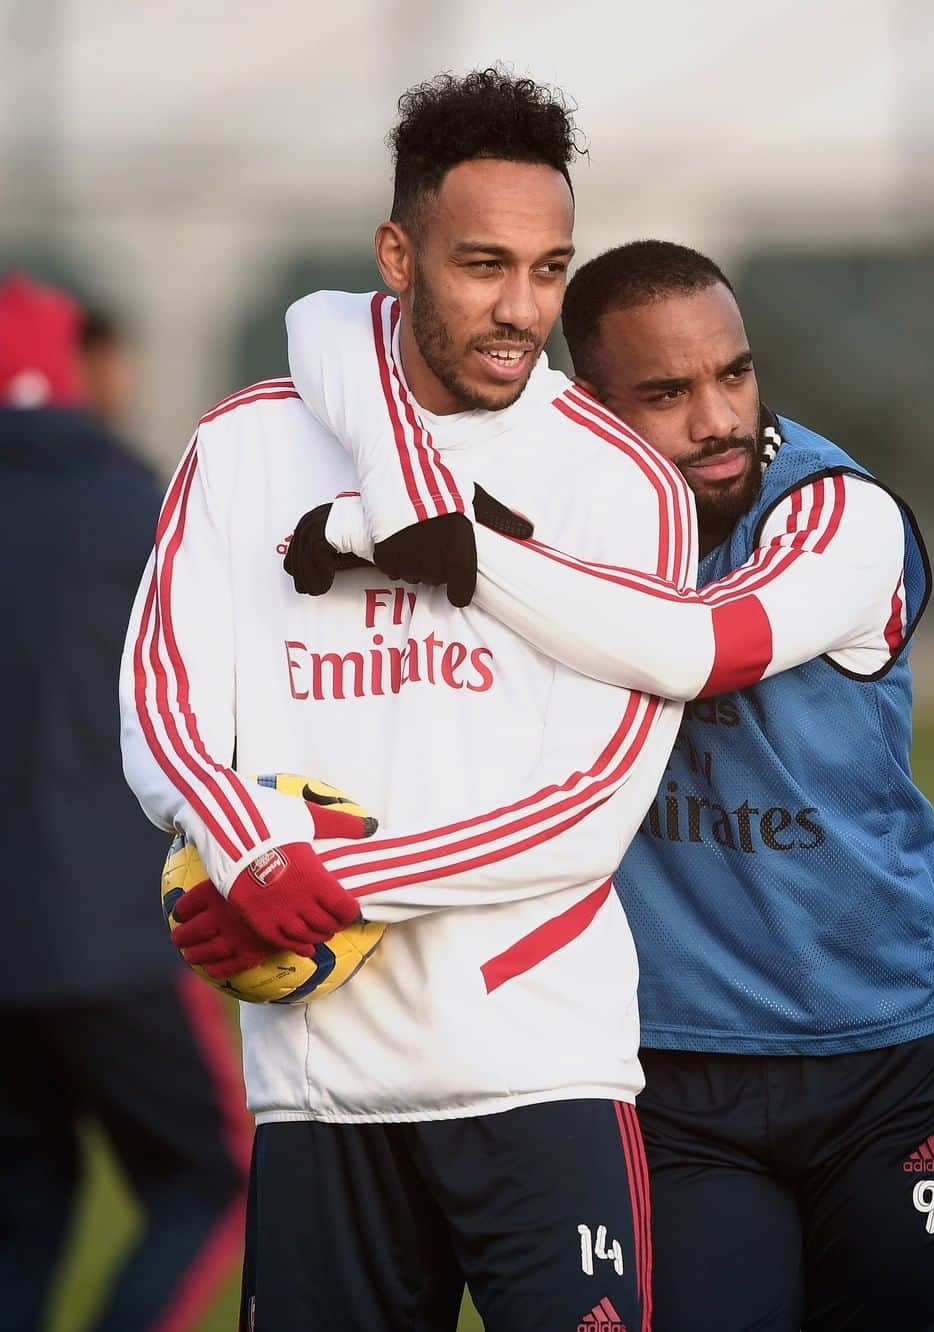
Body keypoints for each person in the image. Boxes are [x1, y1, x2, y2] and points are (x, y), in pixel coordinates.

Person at [289, 240, 934, 1331]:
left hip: (882, 1059)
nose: (719, 419)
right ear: (591, 410)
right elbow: (326, 324)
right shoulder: (567, 497)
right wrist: (415, 507)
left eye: (735, 374)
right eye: (667, 393)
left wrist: (437, 541)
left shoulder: (841, 515)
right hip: (670, 1072)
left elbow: (693, 648)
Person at [120, 72, 697, 1332]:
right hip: (319, 1088)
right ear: (398, 253)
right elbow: (162, 702)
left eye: (550, 270)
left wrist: (318, 882)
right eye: (483, 264)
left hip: (542, 1071)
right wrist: (243, 846)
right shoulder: (245, 449)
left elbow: (588, 813)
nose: (520, 310)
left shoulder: (624, 488)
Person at [0, 272, 249, 1332]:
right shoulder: (138, 508)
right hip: (110, 936)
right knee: (214, 1177)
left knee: (19, 1210)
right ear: (79, 366)